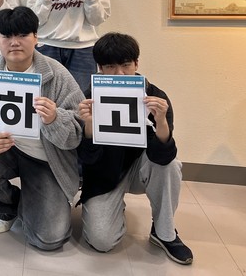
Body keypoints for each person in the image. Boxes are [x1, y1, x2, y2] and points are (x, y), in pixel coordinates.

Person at [0, 7, 84, 250]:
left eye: (23, 35)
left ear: (36, 37)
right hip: (4, 152)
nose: (14, 42)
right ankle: (8, 207)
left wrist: (55, 119)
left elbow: (77, 131)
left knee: (50, 239)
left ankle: (35, 201)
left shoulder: (57, 75)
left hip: (46, 159)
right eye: (6, 36)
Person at [77, 32, 193, 265]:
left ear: (136, 64)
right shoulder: (89, 97)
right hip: (104, 175)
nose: (119, 73)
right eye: (110, 66)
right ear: (99, 68)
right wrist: (88, 125)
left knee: (171, 165)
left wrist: (161, 121)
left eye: (125, 65)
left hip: (142, 169)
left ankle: (164, 232)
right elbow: (86, 159)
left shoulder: (155, 96)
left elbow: (163, 157)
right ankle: (112, 207)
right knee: (101, 241)